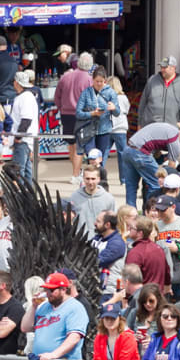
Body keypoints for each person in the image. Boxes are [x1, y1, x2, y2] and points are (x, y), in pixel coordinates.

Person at [22, 272, 89, 360]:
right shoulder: (43, 306)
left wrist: (54, 354)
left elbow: (74, 337)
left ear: (63, 289)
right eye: (46, 290)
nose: (48, 293)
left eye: (52, 290)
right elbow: (25, 327)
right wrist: (33, 307)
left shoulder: (75, 307)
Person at [122, 122, 180, 209]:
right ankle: (151, 211)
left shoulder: (167, 130)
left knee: (131, 187)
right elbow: (171, 169)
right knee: (156, 183)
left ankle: (129, 215)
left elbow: (156, 157)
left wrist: (165, 157)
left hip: (128, 149)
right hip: (140, 152)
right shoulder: (175, 139)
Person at [56, 52, 95, 184]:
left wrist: (61, 107)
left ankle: (75, 173)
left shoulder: (65, 77)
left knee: (71, 145)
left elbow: (57, 96)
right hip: (82, 115)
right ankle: (76, 173)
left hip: (66, 114)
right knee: (81, 146)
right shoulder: (89, 79)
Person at [76, 68, 122, 162]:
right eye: (97, 81)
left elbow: (117, 113)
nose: (99, 84)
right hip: (89, 130)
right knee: (93, 158)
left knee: (100, 160)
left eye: (101, 81)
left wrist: (114, 108)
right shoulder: (86, 93)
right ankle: (92, 175)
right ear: (92, 80)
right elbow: (78, 113)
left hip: (104, 130)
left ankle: (99, 176)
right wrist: (92, 113)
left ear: (105, 80)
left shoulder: (111, 92)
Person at [8, 71, 40, 182]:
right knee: (26, 171)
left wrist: (18, 137)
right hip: (26, 139)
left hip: (23, 140)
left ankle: (20, 195)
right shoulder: (26, 96)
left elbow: (26, 120)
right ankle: (28, 195)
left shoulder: (25, 97)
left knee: (18, 172)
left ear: (16, 83)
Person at [70, 166, 115, 239]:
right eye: (87, 179)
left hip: (101, 240)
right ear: (83, 179)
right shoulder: (74, 197)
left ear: (99, 179)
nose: (90, 182)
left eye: (93, 179)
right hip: (80, 241)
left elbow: (112, 223)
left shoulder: (108, 198)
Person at [127, 216, 172, 289]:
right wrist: (167, 287)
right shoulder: (159, 249)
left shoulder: (136, 253)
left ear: (140, 233)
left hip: (142, 297)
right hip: (158, 295)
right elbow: (167, 274)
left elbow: (130, 279)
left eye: (131, 228)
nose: (128, 229)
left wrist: (126, 297)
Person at [91, 211, 127, 296]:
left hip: (108, 292)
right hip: (94, 288)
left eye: (98, 221)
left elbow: (98, 262)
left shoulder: (117, 243)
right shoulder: (97, 238)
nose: (94, 223)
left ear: (107, 225)